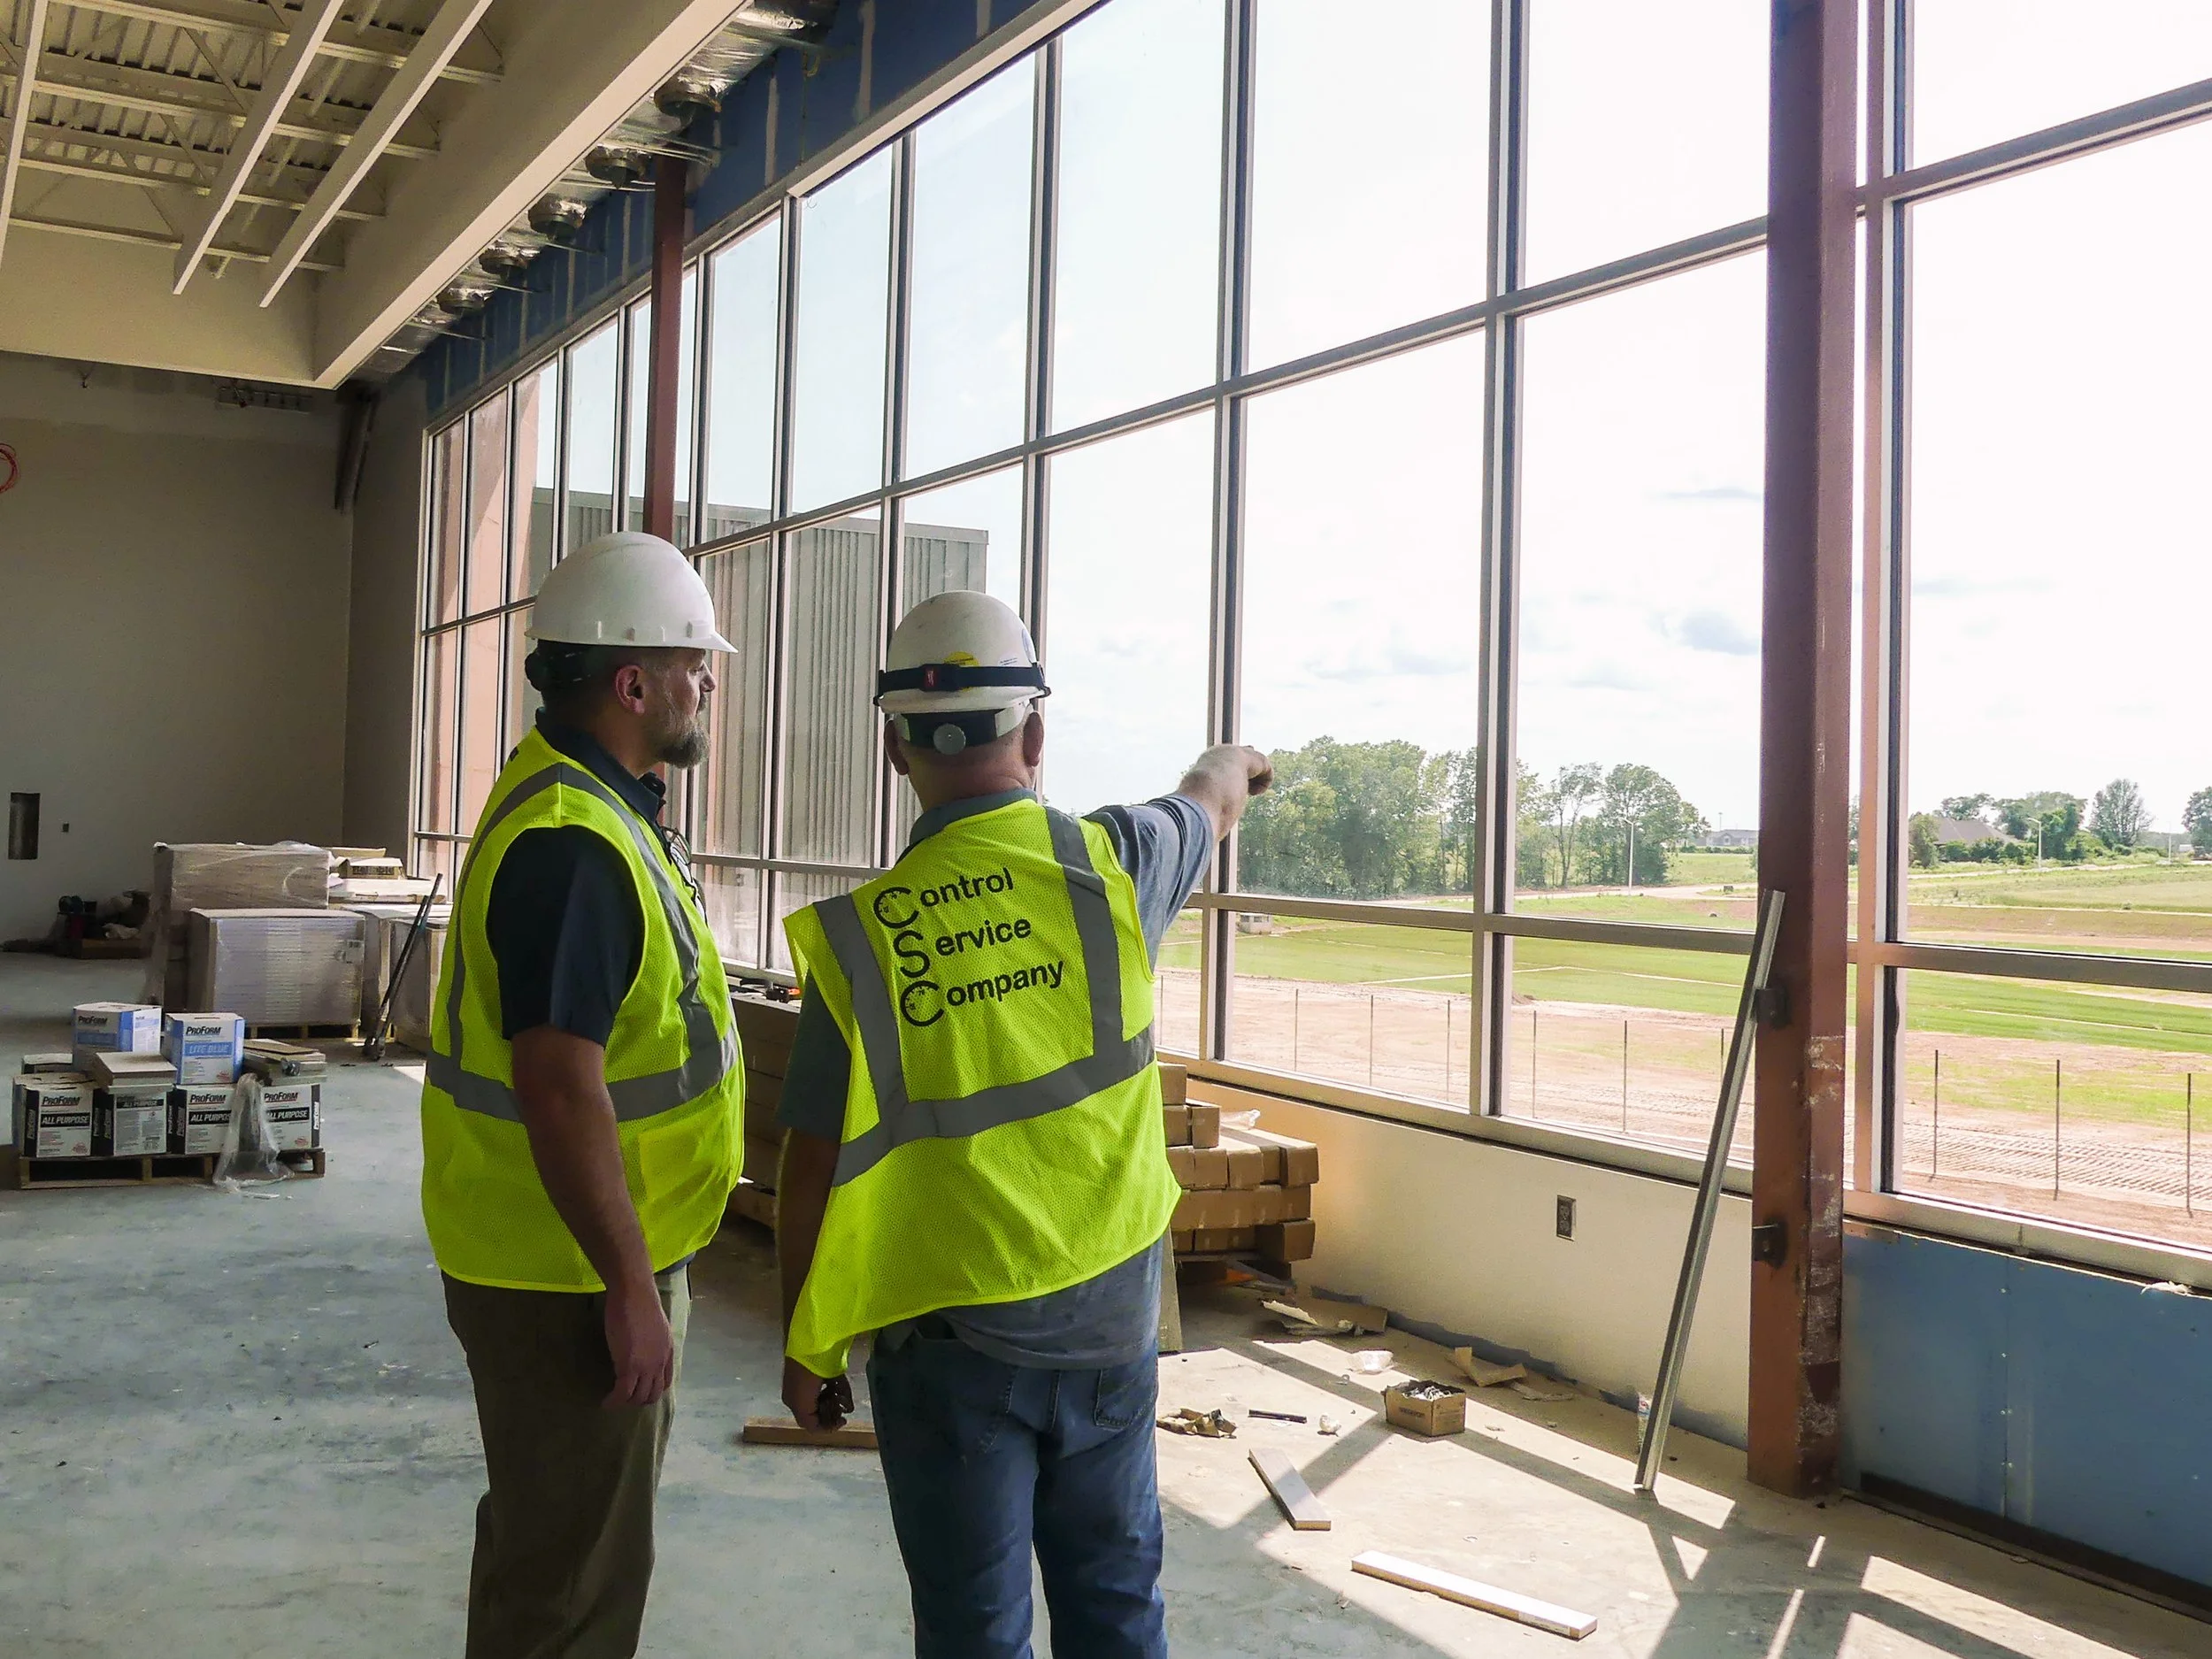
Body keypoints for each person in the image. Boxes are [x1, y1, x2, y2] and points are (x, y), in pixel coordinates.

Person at [773, 589, 1271, 1659]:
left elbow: (808, 1159)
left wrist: (806, 1342)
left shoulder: (859, 943)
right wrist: (1239, 758)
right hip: (1107, 1326)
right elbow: (1209, 799)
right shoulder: (1116, 865)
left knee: (973, 1632)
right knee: (1116, 1608)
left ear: (894, 745)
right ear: (1035, 734)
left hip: (948, 1349)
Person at [419, 530, 745, 1658]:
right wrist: (627, 1287)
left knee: (556, 1546)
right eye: (695, 664)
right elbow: (559, 1093)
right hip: (564, 1275)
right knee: (569, 1584)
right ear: (633, 681)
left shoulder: (597, 807)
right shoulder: (575, 844)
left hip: (563, 1256)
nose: (706, 684)